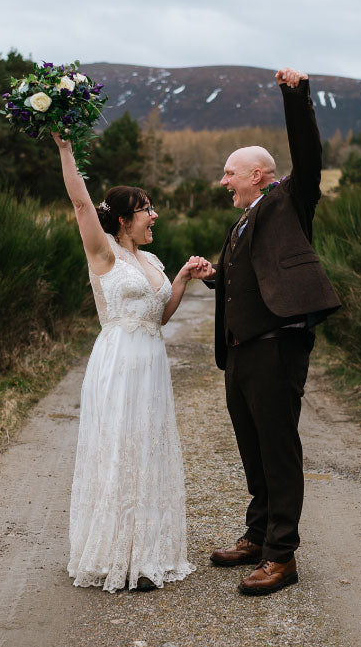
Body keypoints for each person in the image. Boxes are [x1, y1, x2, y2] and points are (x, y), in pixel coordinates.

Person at [201, 67, 341, 596]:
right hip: (240, 353)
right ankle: (258, 536)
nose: (224, 180)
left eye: (230, 173)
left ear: (260, 175)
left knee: (278, 451)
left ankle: (282, 557)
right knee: (252, 448)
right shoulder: (243, 219)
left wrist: (295, 95)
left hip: (276, 348)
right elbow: (256, 276)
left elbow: (308, 153)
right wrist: (218, 279)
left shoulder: (291, 198)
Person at [53, 132, 205, 592]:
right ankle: (113, 554)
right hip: (118, 362)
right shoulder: (104, 253)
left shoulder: (152, 259)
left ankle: (147, 554)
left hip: (152, 362)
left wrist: (179, 277)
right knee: (119, 449)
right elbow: (81, 206)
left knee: (148, 448)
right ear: (123, 220)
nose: (154, 215)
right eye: (146, 210)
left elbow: (160, 314)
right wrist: (65, 149)